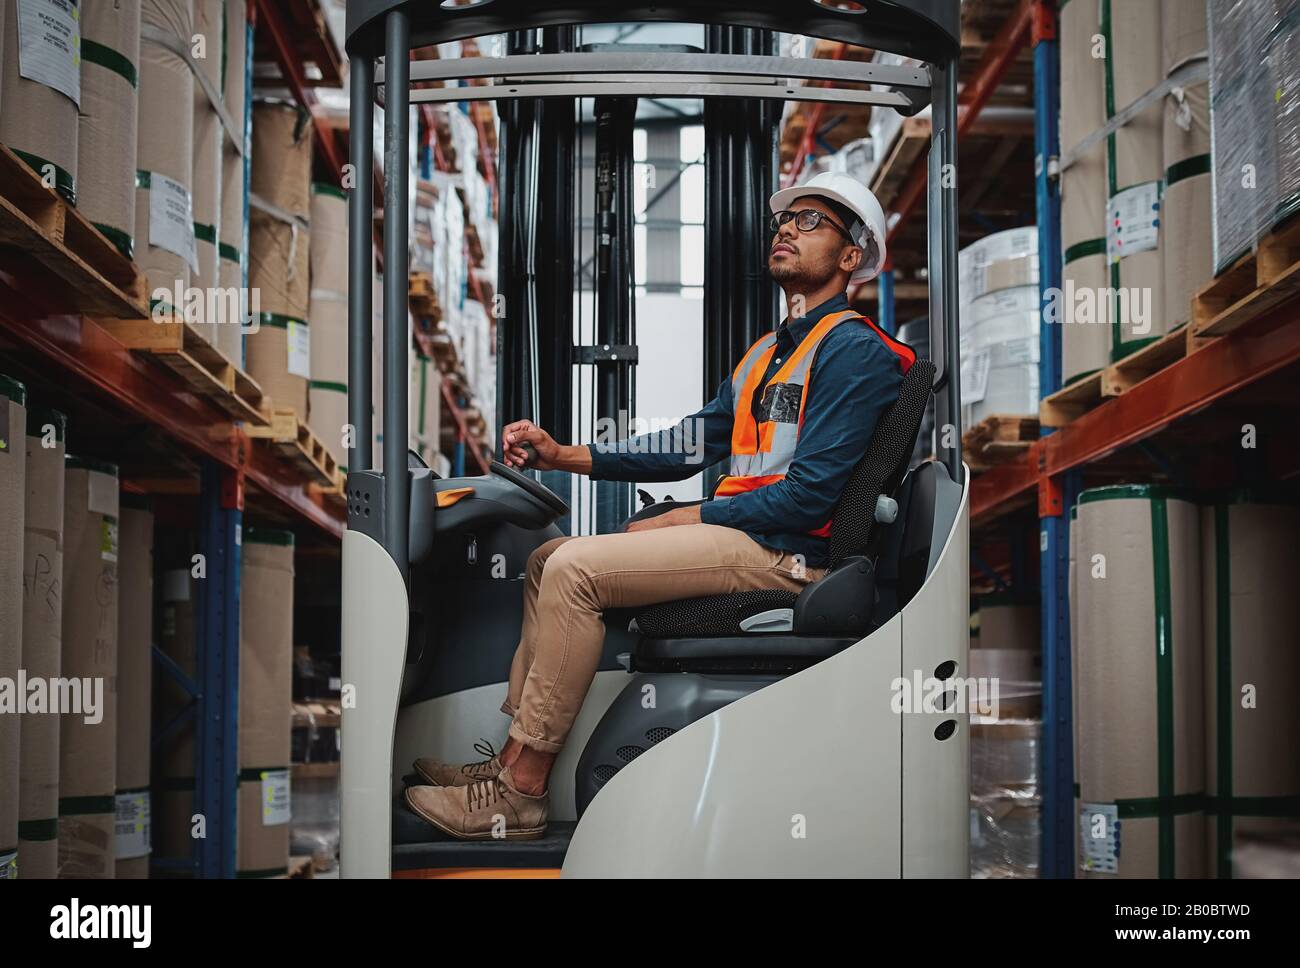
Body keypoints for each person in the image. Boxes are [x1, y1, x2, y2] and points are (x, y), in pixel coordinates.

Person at [404, 172, 915, 840]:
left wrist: (690, 515)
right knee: (548, 558)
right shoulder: (768, 353)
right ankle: (508, 762)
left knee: (575, 571)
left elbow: (812, 495)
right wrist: (565, 455)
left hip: (793, 557)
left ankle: (520, 795)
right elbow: (685, 444)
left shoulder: (855, 351)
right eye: (785, 221)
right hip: (752, 536)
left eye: (811, 222)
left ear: (851, 258)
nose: (787, 229)